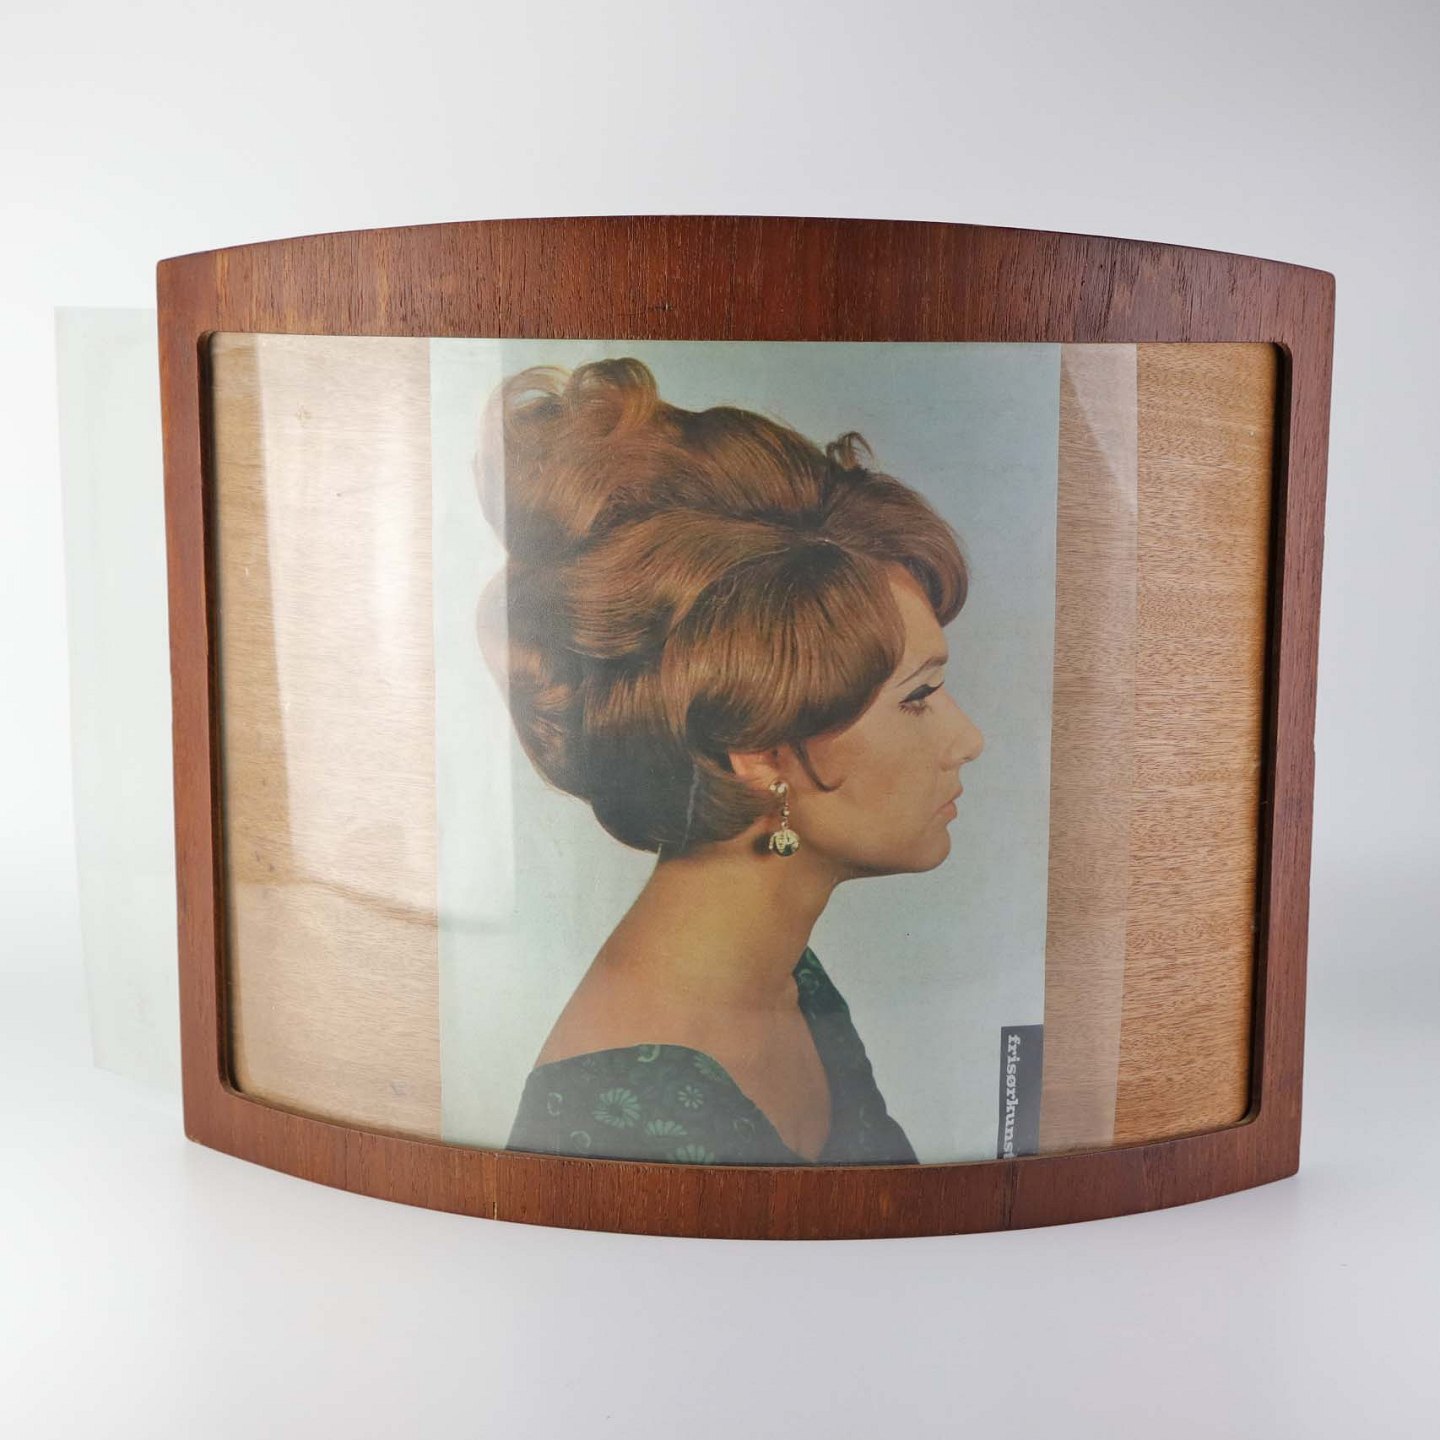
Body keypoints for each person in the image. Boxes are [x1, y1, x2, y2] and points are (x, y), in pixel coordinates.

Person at [476, 357, 984, 1165]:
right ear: (760, 748)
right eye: (919, 697)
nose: (968, 740)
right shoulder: (617, 1112)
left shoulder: (787, 982)